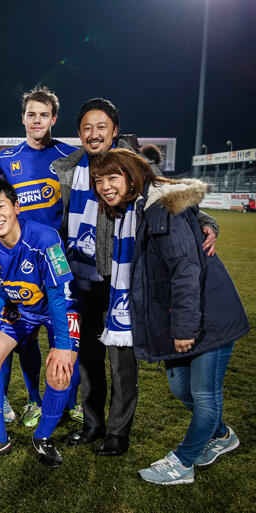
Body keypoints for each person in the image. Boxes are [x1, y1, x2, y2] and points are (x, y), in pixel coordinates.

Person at [51, 97, 219, 457]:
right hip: (82, 278)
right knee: (88, 359)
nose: (93, 134)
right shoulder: (70, 168)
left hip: (124, 280)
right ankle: (92, 424)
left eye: (101, 126)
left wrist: (207, 221)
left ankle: (117, 432)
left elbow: (168, 194)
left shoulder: (134, 160)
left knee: (121, 362)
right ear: (78, 132)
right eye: (86, 128)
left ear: (114, 129)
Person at [89, 148, 248, 484]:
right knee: (180, 389)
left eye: (112, 177)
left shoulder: (161, 209)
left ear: (132, 176)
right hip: (184, 315)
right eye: (99, 180)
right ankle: (222, 435)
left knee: (204, 396)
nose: (104, 186)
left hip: (207, 316)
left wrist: (185, 328)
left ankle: (182, 463)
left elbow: (185, 271)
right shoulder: (136, 209)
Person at [0, 179, 78, 468]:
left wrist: (62, 347)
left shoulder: (45, 238)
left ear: (16, 207)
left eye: (0, 206)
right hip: (21, 307)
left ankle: (43, 437)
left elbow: (58, 296)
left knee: (60, 372)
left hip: (60, 308)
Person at [0, 86, 81, 428]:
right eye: (32, 114)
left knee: (66, 336)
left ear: (54, 119)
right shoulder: (6, 160)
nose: (37, 120)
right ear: (23, 118)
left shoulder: (71, 156)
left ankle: (70, 401)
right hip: (20, 268)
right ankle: (33, 400)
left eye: (44, 115)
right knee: (26, 339)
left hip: (62, 264)